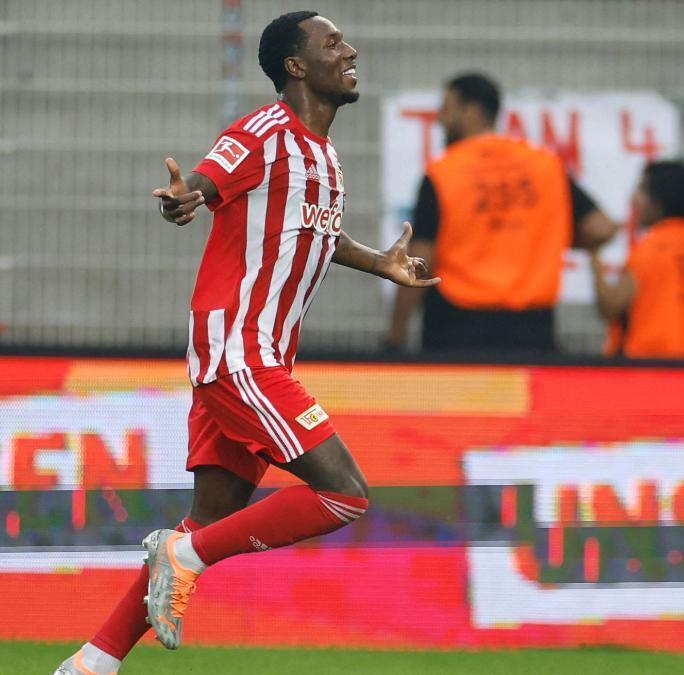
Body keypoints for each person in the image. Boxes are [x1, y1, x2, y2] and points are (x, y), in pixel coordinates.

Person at [55, 12, 438, 674]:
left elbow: (308, 231)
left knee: (204, 524)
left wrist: (380, 263)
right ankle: (183, 562)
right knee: (343, 493)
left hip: (253, 356)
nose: (350, 51)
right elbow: (206, 183)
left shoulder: (323, 155)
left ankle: (92, 661)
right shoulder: (264, 131)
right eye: (331, 44)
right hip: (240, 351)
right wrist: (185, 199)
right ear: (296, 66)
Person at [386, 72, 618, 355]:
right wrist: (548, 235)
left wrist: (395, 336)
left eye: (447, 109)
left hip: (456, 331)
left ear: (470, 111)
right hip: (533, 332)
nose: (440, 120)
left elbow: (419, 262)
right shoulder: (545, 165)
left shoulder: (443, 173)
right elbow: (601, 228)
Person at [590, 161, 684, 359]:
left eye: (641, 190)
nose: (633, 199)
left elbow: (611, 306)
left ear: (660, 199)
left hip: (651, 369)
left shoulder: (650, 249)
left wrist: (593, 251)